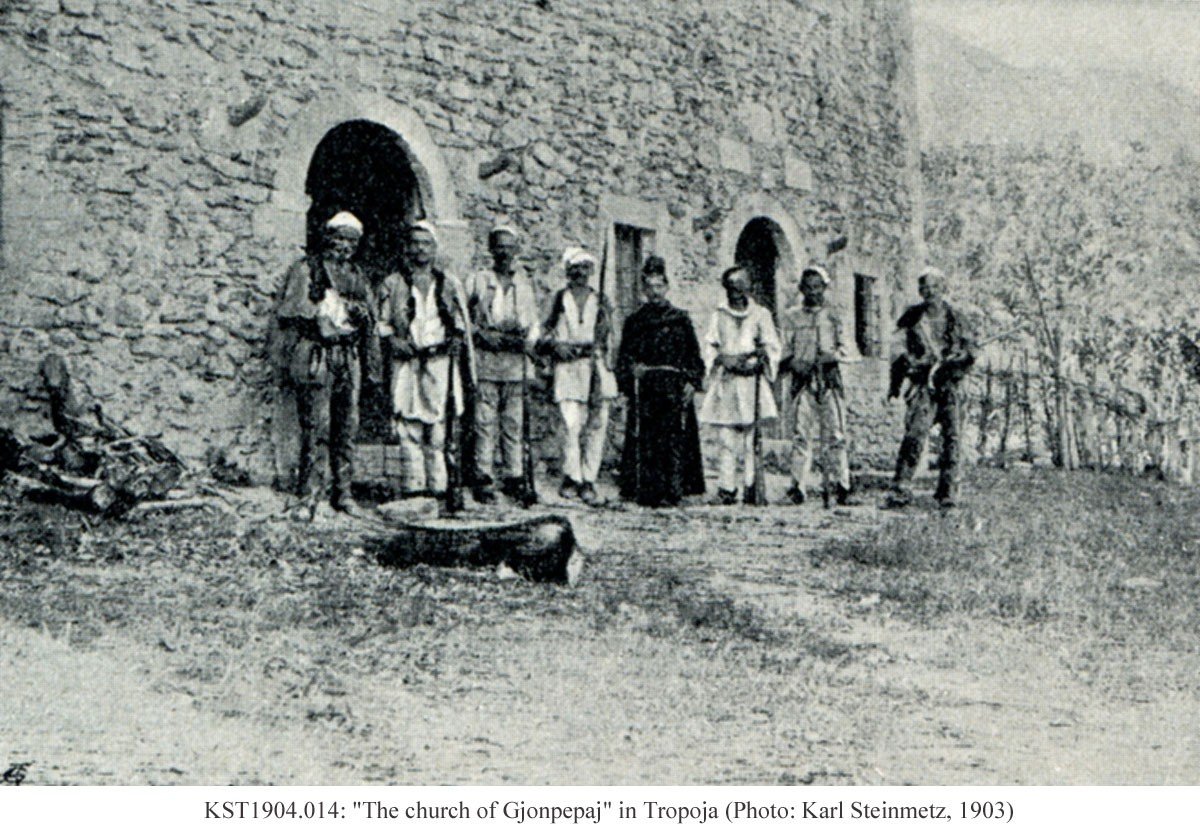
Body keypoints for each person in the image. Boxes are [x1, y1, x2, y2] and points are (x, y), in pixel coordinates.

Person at [275, 211, 378, 516]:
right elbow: (291, 312)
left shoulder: (358, 276)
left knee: (347, 425)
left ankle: (343, 493)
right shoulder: (308, 269)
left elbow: (371, 318)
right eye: (340, 239)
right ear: (328, 238)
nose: (344, 246)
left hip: (348, 355)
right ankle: (310, 494)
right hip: (318, 353)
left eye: (351, 242)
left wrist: (362, 315)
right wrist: (320, 315)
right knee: (317, 425)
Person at [377, 221, 474, 500]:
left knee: (439, 426)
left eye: (426, 243)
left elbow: (461, 322)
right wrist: (394, 341)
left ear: (434, 249)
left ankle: (439, 487)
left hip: (439, 363)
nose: (420, 249)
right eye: (415, 243)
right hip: (407, 362)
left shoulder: (449, 283)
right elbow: (382, 323)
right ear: (407, 248)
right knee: (408, 423)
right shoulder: (393, 283)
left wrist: (456, 338)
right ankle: (414, 486)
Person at [615, 256, 706, 507]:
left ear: (667, 287)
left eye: (659, 286)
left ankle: (675, 490)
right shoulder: (635, 321)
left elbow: (694, 356)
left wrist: (691, 381)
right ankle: (647, 491)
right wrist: (632, 370)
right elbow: (625, 356)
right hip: (646, 388)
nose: (655, 292)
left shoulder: (680, 319)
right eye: (650, 286)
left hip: (674, 387)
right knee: (646, 438)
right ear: (644, 289)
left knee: (675, 438)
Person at [886, 267, 976, 508]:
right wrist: (908, 365)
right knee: (915, 434)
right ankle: (900, 489)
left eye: (935, 287)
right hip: (923, 384)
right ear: (920, 291)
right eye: (925, 287)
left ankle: (948, 492)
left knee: (952, 438)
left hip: (951, 384)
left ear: (943, 289)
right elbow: (897, 348)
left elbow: (970, 350)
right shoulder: (912, 317)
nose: (930, 292)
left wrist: (958, 357)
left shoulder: (957, 318)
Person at [465, 224, 540, 503]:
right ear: (491, 249)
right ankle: (483, 476)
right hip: (486, 361)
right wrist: (481, 334)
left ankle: (514, 476)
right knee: (484, 422)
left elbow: (533, 324)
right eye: (499, 247)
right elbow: (463, 318)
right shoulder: (479, 280)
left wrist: (526, 343)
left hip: (515, 364)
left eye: (509, 247)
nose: (504, 253)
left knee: (513, 423)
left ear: (516, 250)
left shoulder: (524, 285)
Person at [538, 247, 617, 507]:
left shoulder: (601, 300)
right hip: (568, 368)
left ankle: (589, 479)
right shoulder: (558, 299)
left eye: (585, 268)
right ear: (568, 271)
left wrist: (605, 336)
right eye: (575, 268)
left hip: (596, 366)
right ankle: (572, 476)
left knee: (596, 425)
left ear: (591, 271)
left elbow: (611, 336)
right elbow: (540, 333)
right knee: (570, 425)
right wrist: (555, 346)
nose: (580, 273)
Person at [699, 265, 782, 505]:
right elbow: (710, 344)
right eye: (731, 288)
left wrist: (763, 359)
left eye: (740, 288)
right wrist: (720, 358)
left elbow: (772, 345)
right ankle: (727, 487)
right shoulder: (719, 314)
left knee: (750, 437)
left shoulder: (761, 315)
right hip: (728, 382)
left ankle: (751, 485)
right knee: (727, 437)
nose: (735, 293)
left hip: (751, 383)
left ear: (749, 288)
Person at [779, 265, 852, 507]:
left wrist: (831, 356)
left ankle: (842, 484)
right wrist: (793, 363)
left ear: (824, 288)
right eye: (808, 287)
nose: (812, 292)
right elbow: (783, 349)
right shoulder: (791, 316)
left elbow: (848, 349)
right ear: (801, 289)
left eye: (817, 287)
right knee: (801, 435)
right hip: (803, 382)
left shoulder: (834, 315)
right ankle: (797, 487)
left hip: (829, 380)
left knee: (836, 434)